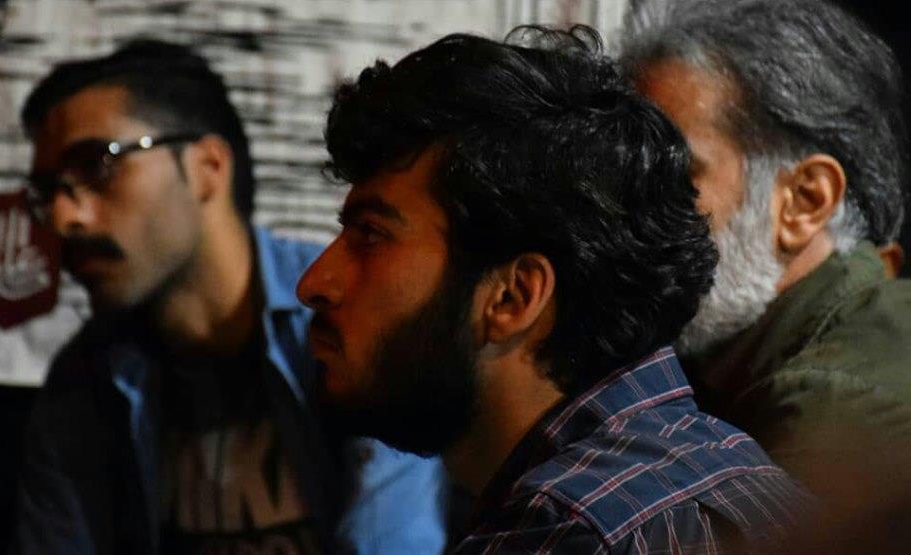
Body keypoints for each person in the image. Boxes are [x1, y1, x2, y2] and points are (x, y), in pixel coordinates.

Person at [296, 27, 809, 553]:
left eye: (370, 235)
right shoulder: (733, 465)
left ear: (513, 297)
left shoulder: (562, 531)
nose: (313, 283)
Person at [12, 40, 447, 554]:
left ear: (208, 167)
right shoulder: (86, 378)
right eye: (48, 192)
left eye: (97, 164)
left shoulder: (347, 313)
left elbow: (388, 541)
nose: (64, 218)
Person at [619, 0, 911, 492]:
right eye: (624, 174)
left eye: (673, 174)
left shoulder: (832, 413)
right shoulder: (757, 363)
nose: (627, 210)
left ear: (803, 202)